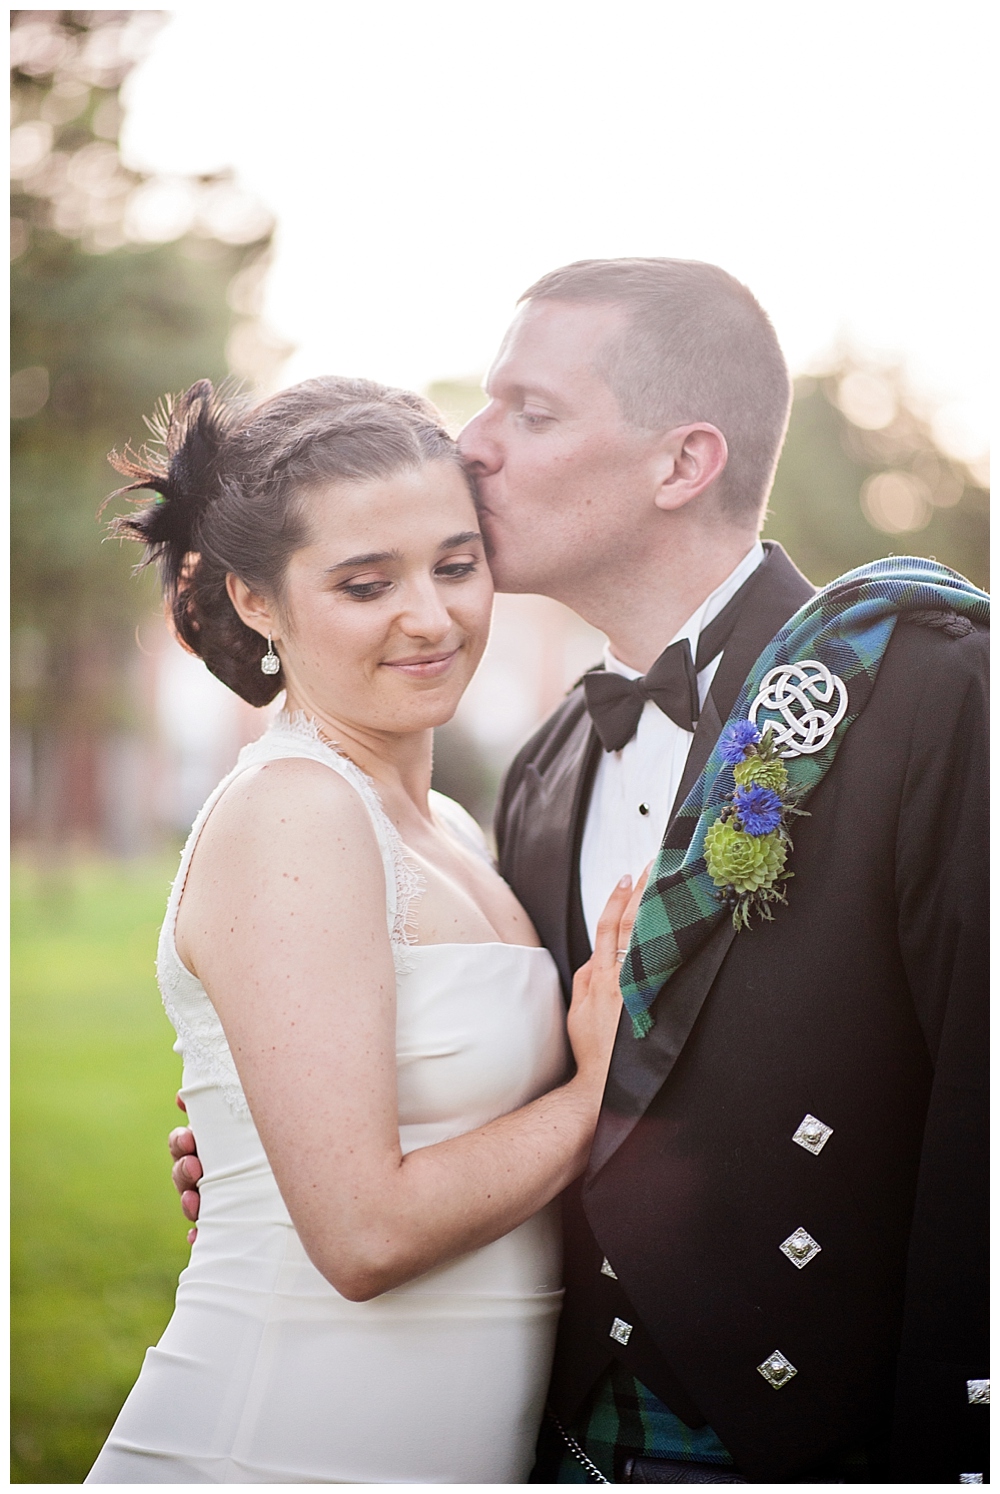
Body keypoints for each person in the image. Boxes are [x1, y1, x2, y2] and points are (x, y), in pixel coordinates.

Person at [169, 259, 988, 1483]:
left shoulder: (931, 695)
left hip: (828, 1434)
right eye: (484, 407)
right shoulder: (550, 765)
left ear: (682, 463)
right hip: (553, 1436)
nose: (472, 443)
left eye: (530, 413)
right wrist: (266, 1144)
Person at [86, 375, 647, 1484]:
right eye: (363, 583)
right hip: (279, 1445)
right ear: (255, 600)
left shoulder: (446, 825)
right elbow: (363, 1235)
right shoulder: (293, 811)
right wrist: (600, 1093)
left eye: (454, 564)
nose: (431, 618)